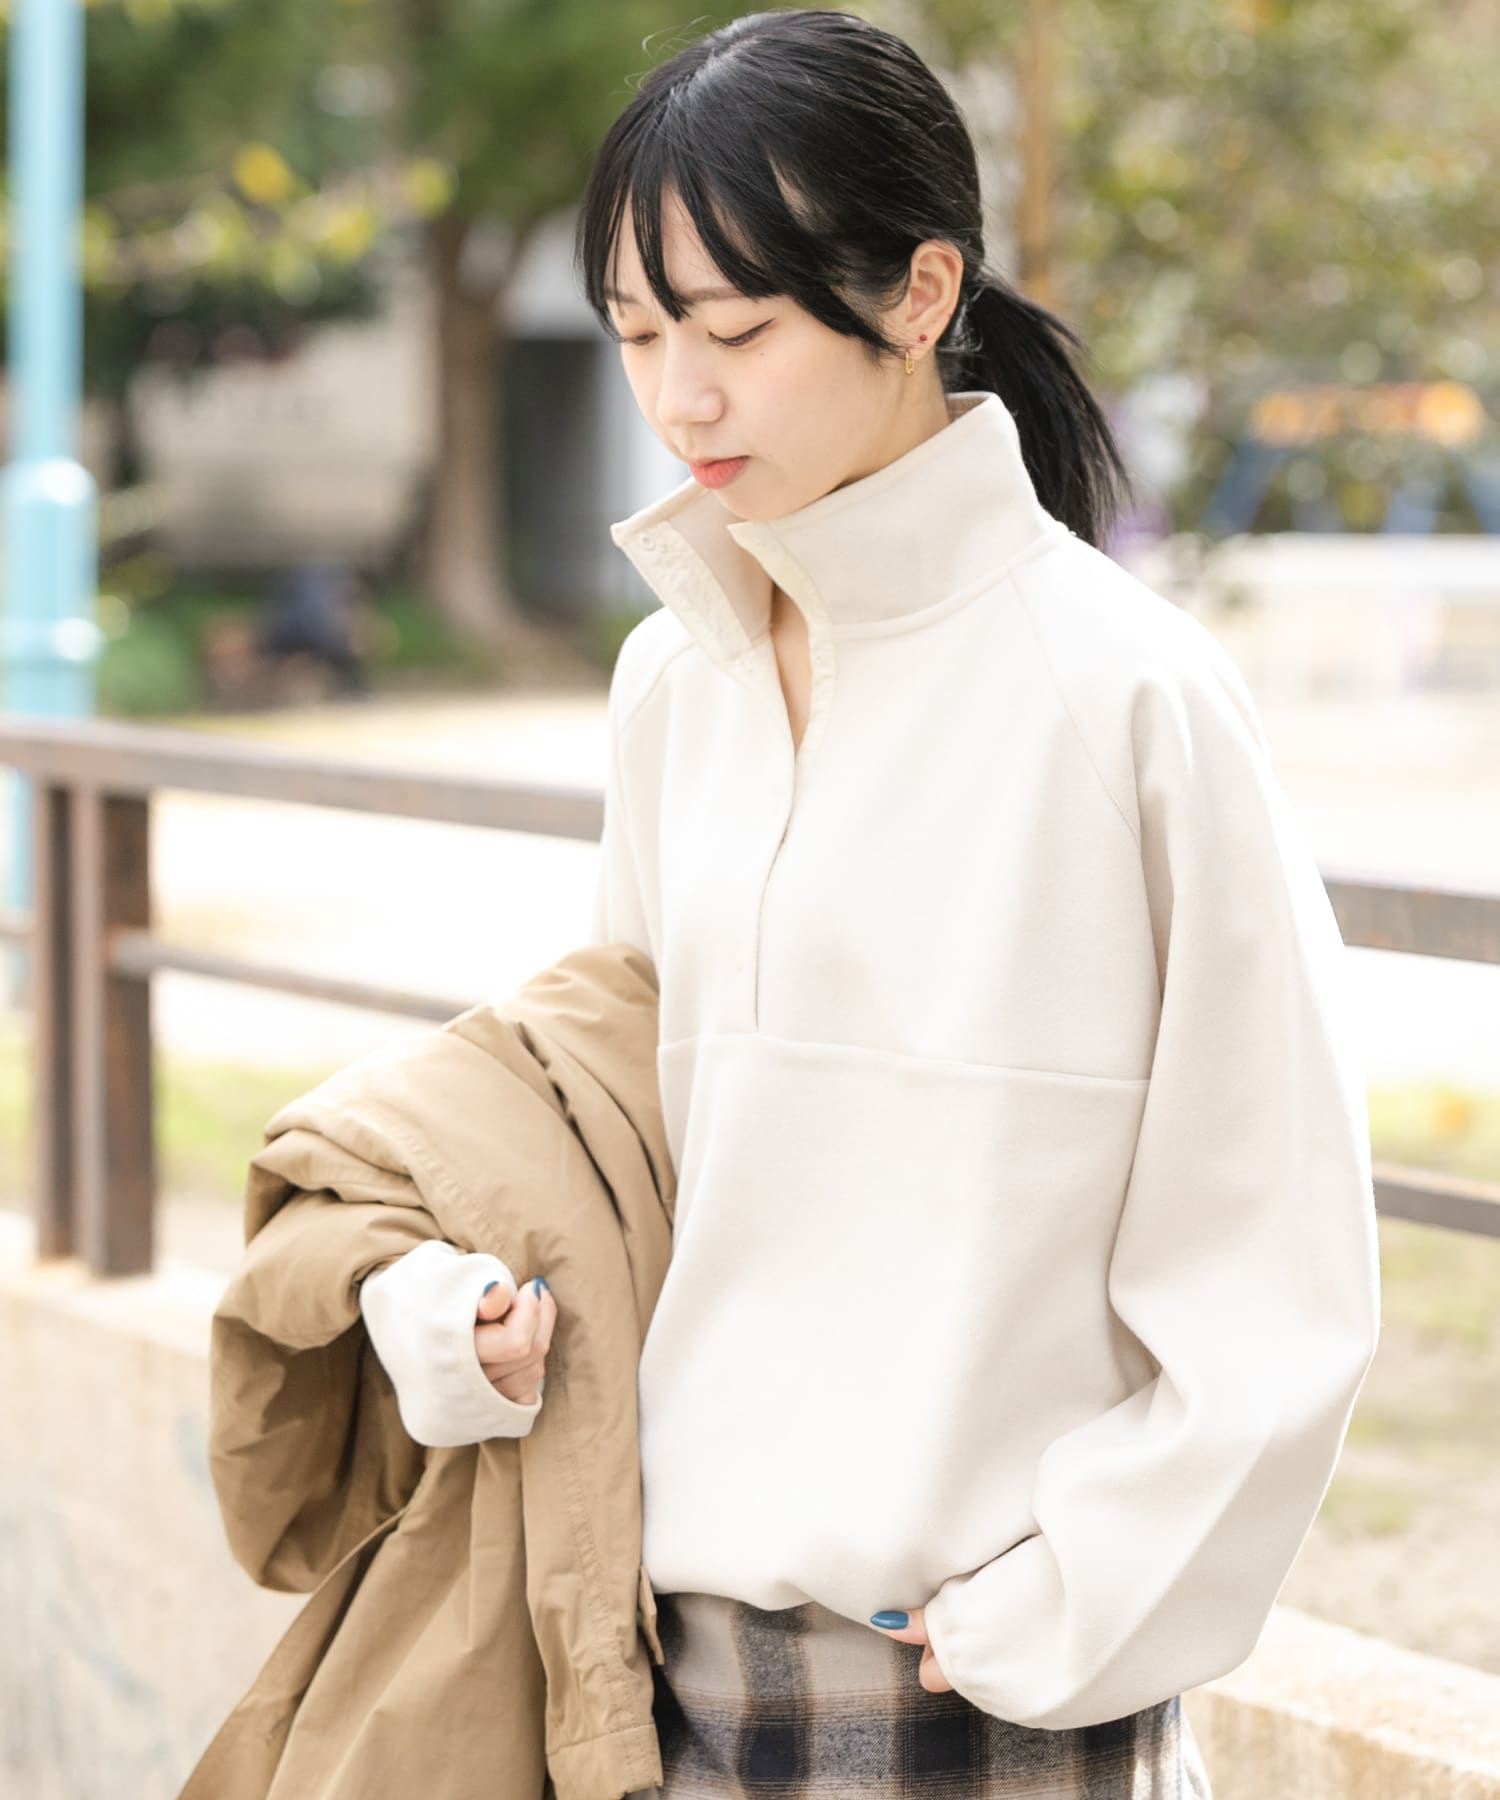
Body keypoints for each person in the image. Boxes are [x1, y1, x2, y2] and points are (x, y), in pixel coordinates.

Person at [358, 11, 1381, 1795]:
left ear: (921, 294)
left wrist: (1062, 1614)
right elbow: (619, 1145)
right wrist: (469, 1330)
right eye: (639, 333)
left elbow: (1277, 1255)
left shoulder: (1126, 695)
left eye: (737, 331)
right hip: (660, 1686)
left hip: (988, 1702)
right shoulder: (675, 683)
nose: (681, 397)